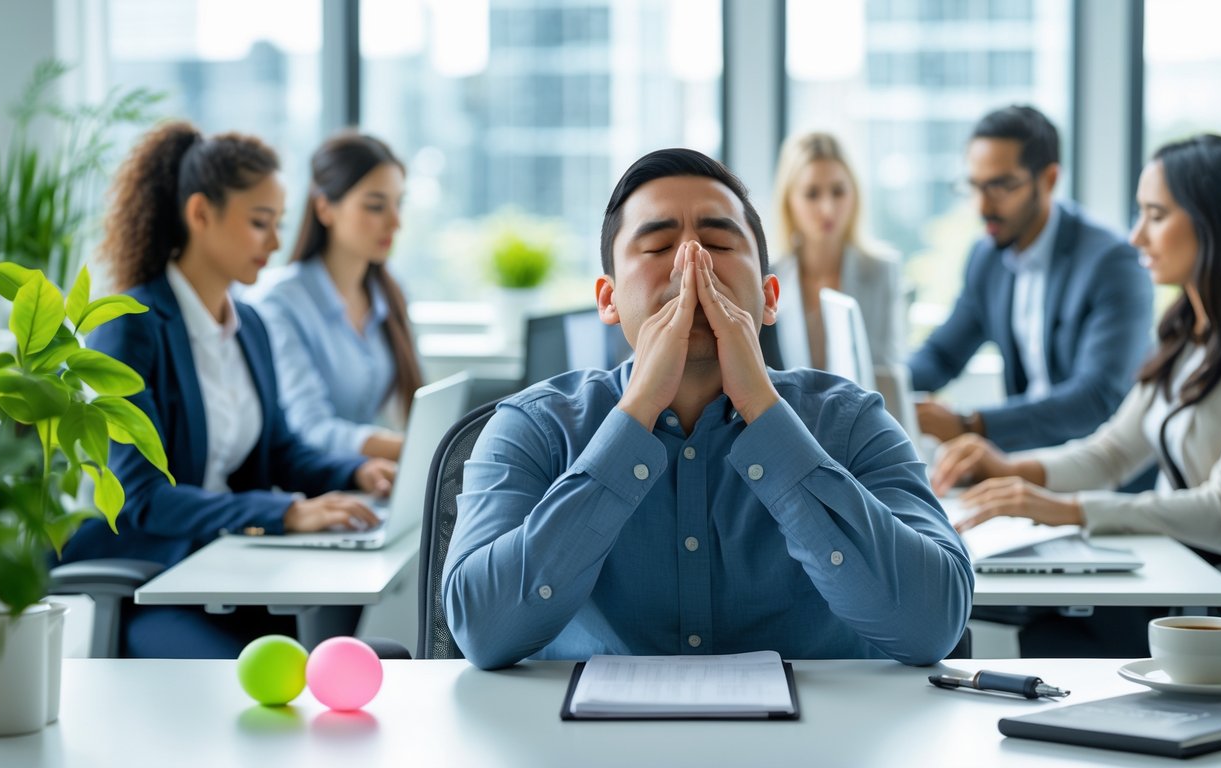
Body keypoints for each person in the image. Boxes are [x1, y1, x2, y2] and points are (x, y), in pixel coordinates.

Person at [443, 148, 972, 670]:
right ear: (607, 299)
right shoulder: (532, 426)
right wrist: (636, 413)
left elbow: (932, 626)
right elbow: (482, 632)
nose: (690, 264)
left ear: (769, 298)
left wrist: (763, 411)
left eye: (717, 243)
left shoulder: (852, 422)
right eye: (656, 247)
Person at [935, 135, 1221, 656]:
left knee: (1050, 632)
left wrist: (1069, 510)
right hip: (1184, 572)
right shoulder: (1187, 334)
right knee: (1030, 622)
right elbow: (1111, 452)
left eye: (1156, 216)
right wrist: (1008, 471)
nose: (1136, 237)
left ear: (1214, 221)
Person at [63, 122, 396, 658]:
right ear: (200, 214)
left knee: (337, 644)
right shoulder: (131, 326)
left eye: (278, 223)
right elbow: (141, 500)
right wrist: (283, 513)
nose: (274, 242)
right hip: (152, 583)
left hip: (230, 569)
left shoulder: (250, 325)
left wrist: (354, 473)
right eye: (260, 223)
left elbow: (280, 451)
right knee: (283, 674)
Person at [908, 105, 1153, 452]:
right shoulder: (987, 256)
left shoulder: (1112, 263)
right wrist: (880, 388)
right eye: (974, 187)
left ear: (1049, 179)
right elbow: (942, 355)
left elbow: (1096, 398)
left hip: (1104, 478)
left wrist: (971, 424)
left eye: (1000, 187)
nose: (981, 207)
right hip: (1025, 465)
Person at [248, 132, 422, 462]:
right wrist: (417, 450)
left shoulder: (389, 291)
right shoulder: (279, 303)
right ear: (325, 208)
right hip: (313, 489)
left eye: (399, 204)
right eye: (375, 206)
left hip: (369, 482)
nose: (395, 222)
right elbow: (309, 429)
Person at [770, 131, 904, 371]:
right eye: (812, 194)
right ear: (789, 200)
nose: (828, 209)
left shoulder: (881, 271)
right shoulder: (767, 277)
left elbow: (886, 372)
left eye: (838, 191)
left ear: (855, 194)